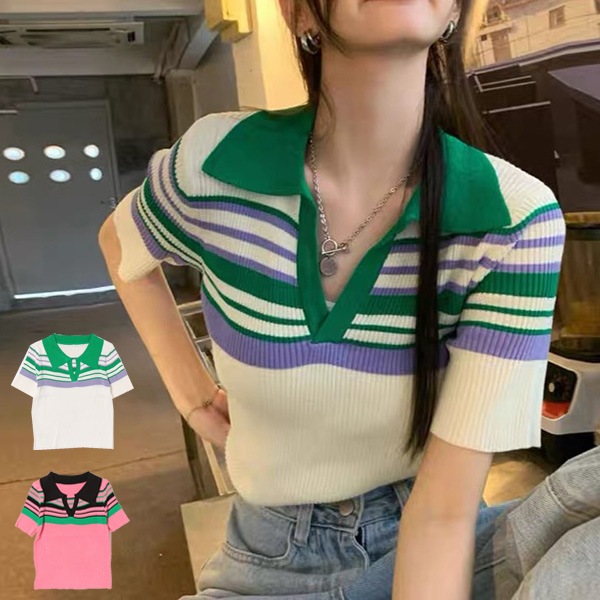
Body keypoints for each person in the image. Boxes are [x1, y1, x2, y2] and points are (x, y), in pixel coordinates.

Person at [98, 0, 566, 598]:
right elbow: (118, 243)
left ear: (454, 11)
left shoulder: (515, 218)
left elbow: (443, 516)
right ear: (299, 14)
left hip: (432, 539)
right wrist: (192, 395)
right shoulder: (214, 161)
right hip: (267, 557)